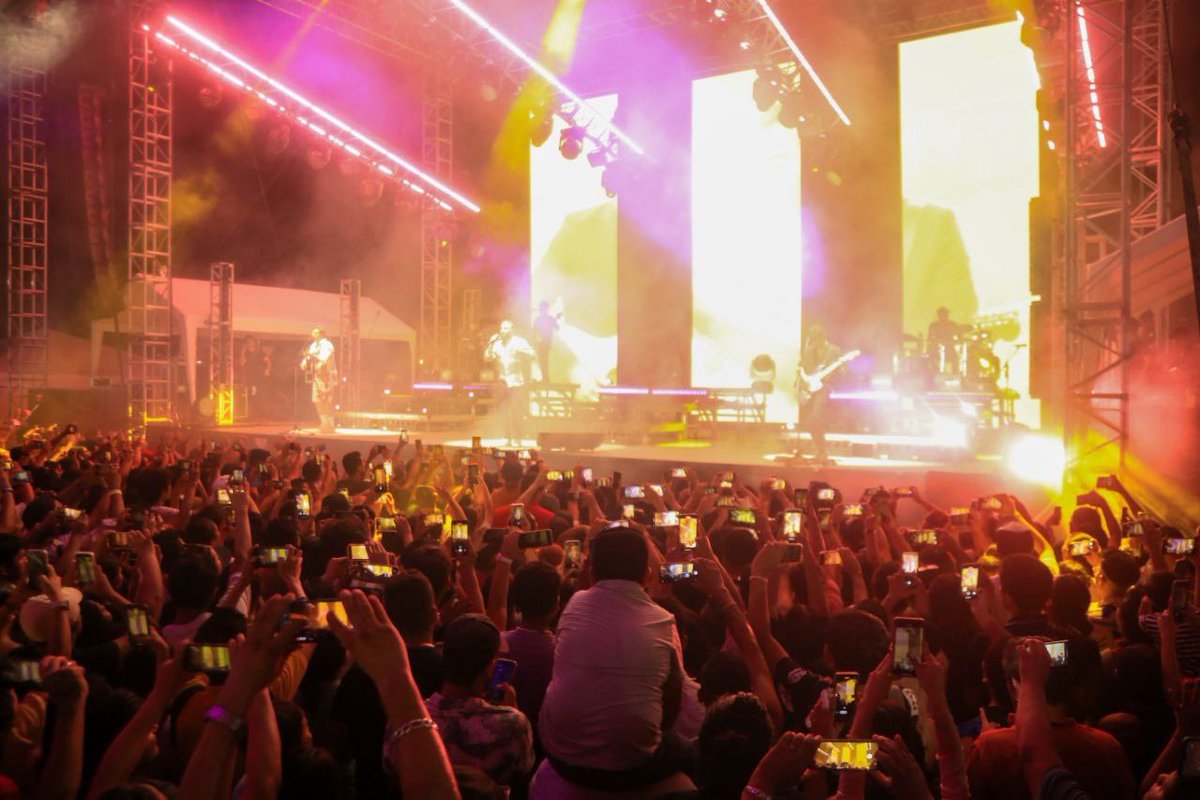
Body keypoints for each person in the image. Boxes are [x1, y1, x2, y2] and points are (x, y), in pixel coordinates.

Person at [484, 320, 539, 446]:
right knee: (504, 411)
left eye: (506, 328)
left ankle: (517, 438)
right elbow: (487, 357)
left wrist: (533, 369)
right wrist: (490, 344)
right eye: (502, 328)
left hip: (516, 382)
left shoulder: (519, 342)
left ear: (512, 329)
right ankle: (507, 438)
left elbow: (532, 354)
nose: (503, 330)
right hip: (503, 382)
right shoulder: (497, 344)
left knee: (516, 411)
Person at [796, 324, 844, 464]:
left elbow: (843, 370)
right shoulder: (808, 351)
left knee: (815, 419)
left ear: (822, 337)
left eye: (816, 338)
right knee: (811, 423)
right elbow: (801, 370)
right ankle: (821, 450)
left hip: (826, 387)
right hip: (811, 389)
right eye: (812, 338)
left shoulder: (833, 350)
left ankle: (822, 450)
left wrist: (841, 368)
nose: (814, 341)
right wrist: (801, 389)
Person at [300, 326, 337, 433]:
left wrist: (311, 355)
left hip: (327, 375)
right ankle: (324, 423)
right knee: (317, 400)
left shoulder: (327, 345)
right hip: (317, 376)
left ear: (321, 334)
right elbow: (309, 357)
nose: (313, 335)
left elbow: (323, 359)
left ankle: (331, 425)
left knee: (327, 400)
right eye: (313, 333)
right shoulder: (313, 345)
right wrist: (304, 362)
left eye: (315, 333)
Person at [927, 306, 969, 374]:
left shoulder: (952, 324)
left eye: (946, 314)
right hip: (937, 348)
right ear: (939, 315)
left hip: (948, 348)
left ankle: (955, 375)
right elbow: (930, 338)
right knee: (932, 360)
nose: (945, 316)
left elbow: (959, 336)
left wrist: (961, 341)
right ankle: (934, 374)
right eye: (943, 314)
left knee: (955, 359)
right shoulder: (934, 325)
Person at [532, 301, 561, 384]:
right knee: (542, 360)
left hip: (545, 343)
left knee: (543, 360)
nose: (542, 309)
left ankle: (546, 379)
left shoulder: (546, 319)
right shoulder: (540, 319)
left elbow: (557, 327)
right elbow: (534, 331)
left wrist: (555, 319)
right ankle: (545, 378)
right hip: (541, 343)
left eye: (543, 308)